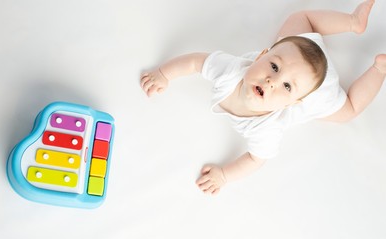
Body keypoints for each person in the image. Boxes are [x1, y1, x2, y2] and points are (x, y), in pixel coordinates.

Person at [140, 0, 386, 195]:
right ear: (261, 56)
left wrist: (224, 175)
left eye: (285, 87)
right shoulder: (232, 70)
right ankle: (353, 22)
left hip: (314, 88)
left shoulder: (266, 129)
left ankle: (379, 70)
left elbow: (255, 159)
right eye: (274, 67)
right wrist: (164, 74)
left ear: (291, 104)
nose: (271, 82)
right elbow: (196, 62)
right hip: (301, 53)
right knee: (300, 19)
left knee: (349, 109)